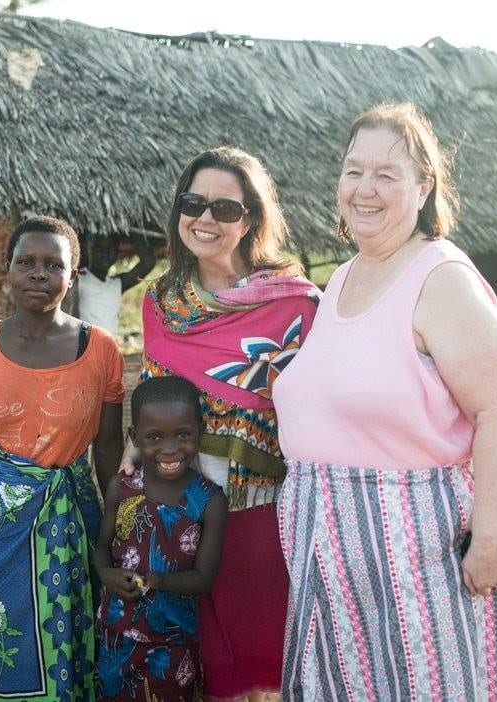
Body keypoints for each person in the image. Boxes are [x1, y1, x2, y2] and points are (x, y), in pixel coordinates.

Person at [273, 102, 497, 700]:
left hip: (415, 554)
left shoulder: (441, 277)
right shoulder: (342, 277)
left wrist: (491, 541)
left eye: (387, 174)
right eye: (353, 171)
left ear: (423, 186)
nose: (365, 189)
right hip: (325, 549)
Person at [137, 146, 320, 701]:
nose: (206, 219)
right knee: (189, 658)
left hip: (257, 509)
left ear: (252, 220)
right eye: (194, 203)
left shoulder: (295, 307)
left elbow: (315, 414)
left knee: (259, 658)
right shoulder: (162, 303)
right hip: (179, 505)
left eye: (226, 209)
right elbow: (153, 403)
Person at [0, 215, 124, 701]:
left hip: (74, 518)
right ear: (7, 272)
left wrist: (115, 533)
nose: (39, 273)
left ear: (72, 276)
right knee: (2, 648)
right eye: (26, 262)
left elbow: (109, 449)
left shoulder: (100, 350)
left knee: (75, 648)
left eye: (53, 264)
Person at [95, 376, 227, 701]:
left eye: (183, 435)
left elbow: (204, 578)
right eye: (154, 437)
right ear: (134, 437)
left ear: (200, 430)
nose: (170, 449)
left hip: (175, 644)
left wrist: (157, 580)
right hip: (117, 636)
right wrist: (107, 575)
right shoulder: (121, 489)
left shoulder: (209, 500)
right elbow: (100, 548)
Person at [76, 232, 155, 337]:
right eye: (99, 249)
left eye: (111, 249)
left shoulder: (117, 284)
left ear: (118, 251)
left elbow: (148, 262)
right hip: (85, 350)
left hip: (110, 350)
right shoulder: (77, 279)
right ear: (88, 250)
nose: (106, 254)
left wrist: (133, 228)